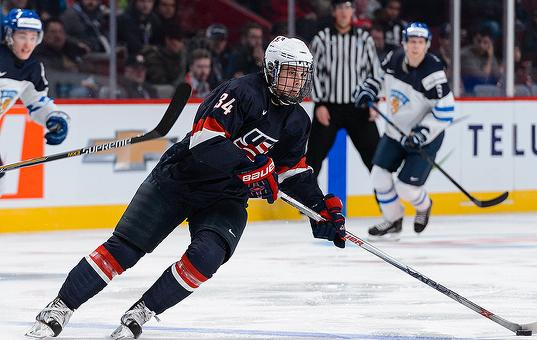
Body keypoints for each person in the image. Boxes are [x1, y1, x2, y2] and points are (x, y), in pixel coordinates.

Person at [26, 36, 346, 339]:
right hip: (180, 179)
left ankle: (141, 313)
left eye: (301, 75)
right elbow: (205, 141)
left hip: (225, 196)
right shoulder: (242, 92)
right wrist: (251, 169)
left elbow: (294, 173)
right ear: (272, 69)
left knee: (209, 256)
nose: (296, 82)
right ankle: (60, 307)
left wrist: (320, 212)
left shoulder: (298, 120)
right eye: (290, 73)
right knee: (124, 249)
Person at [354, 22, 455, 239]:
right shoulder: (393, 59)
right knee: (378, 176)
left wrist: (422, 133)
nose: (415, 47)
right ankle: (393, 220)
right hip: (395, 132)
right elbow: (378, 79)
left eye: (420, 42)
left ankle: (424, 205)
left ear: (427, 45)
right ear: (403, 43)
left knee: (406, 188)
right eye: (411, 42)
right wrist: (368, 90)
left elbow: (446, 111)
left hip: (424, 138)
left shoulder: (433, 73)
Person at [307, 0, 383, 176]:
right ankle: (308, 202)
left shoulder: (364, 39)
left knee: (378, 163)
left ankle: (387, 202)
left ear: (353, 11)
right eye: (340, 7)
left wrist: (373, 100)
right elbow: (313, 72)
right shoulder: (322, 38)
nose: (344, 11)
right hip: (329, 108)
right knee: (313, 161)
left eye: (347, 7)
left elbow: (375, 73)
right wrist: (319, 104)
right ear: (334, 11)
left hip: (360, 108)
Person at [0, 9, 69, 182]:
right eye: (22, 36)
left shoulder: (32, 68)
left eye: (33, 37)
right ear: (9, 35)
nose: (27, 44)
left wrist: (53, 117)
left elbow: (37, 99)